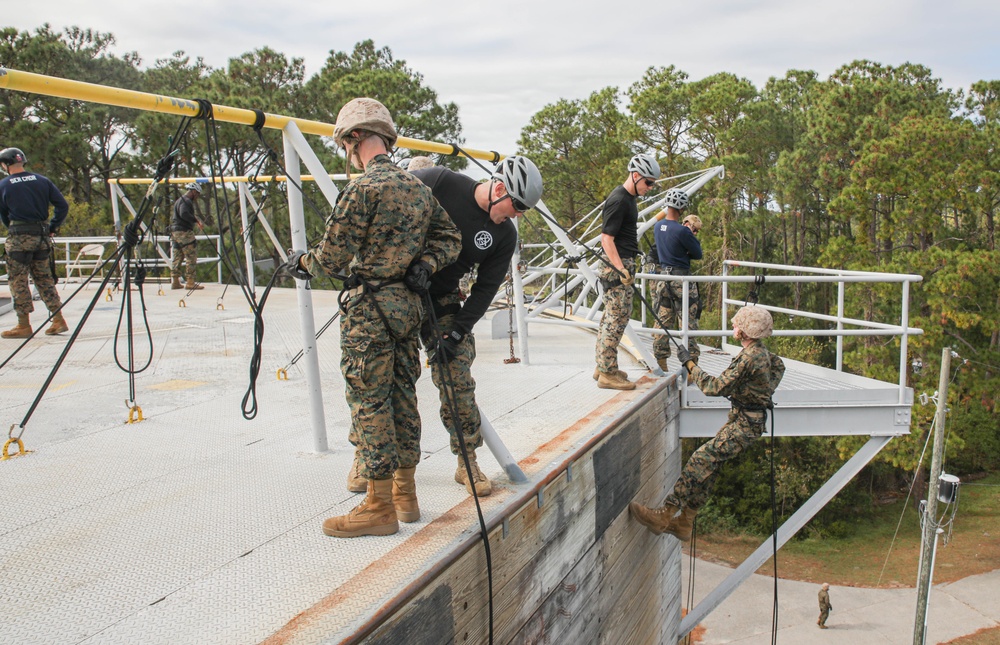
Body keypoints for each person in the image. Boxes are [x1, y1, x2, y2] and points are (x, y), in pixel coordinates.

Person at [285, 98, 460, 538]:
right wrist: (427, 264)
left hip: (370, 311)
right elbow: (450, 237)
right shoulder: (418, 189)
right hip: (407, 308)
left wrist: (301, 263)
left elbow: (332, 257)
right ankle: (406, 495)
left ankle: (378, 504)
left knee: (369, 400)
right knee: (403, 395)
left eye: (346, 142)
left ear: (354, 139)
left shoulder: (363, 189)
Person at [349, 155, 541, 499]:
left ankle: (467, 461)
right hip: (396, 290)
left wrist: (458, 330)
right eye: (517, 205)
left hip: (442, 299)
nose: (517, 215)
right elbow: (386, 197)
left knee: (457, 378)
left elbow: (485, 289)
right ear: (499, 188)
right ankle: (364, 455)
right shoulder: (440, 181)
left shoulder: (504, 235)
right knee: (375, 375)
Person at [629, 305, 785, 541]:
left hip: (745, 424)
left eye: (737, 325)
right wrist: (761, 393)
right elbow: (779, 366)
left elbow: (714, 387)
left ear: (745, 331)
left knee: (701, 459)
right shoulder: (761, 351)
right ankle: (685, 521)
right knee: (709, 468)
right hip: (746, 421)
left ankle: (666, 513)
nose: (734, 326)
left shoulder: (749, 358)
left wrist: (690, 365)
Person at [593, 153, 660, 391]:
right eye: (648, 182)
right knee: (617, 317)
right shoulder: (619, 199)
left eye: (653, 183)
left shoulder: (630, 198)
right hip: (616, 265)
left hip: (623, 262)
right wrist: (620, 268)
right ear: (635, 175)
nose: (650, 188)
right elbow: (606, 238)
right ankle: (607, 373)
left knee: (613, 315)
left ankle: (603, 366)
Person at [0, 147, 70, 339]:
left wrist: (13, 229)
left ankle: (23, 325)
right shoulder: (42, 181)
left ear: (5, 165)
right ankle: (58, 320)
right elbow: (62, 206)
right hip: (41, 237)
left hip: (18, 239)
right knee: (44, 279)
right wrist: (52, 226)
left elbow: (3, 215)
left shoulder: (4, 185)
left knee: (18, 281)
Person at [652, 189, 702, 371]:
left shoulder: (658, 227)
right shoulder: (683, 231)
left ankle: (660, 361)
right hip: (681, 280)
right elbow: (698, 254)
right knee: (688, 321)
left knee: (663, 318)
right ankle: (691, 366)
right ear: (682, 208)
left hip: (663, 278)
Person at [170, 183, 205, 290]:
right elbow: (184, 213)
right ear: (194, 191)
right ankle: (190, 282)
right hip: (184, 232)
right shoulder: (187, 201)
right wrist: (195, 220)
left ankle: (175, 281)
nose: (197, 197)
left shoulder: (179, 200)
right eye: (197, 194)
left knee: (177, 256)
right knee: (191, 256)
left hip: (175, 232)